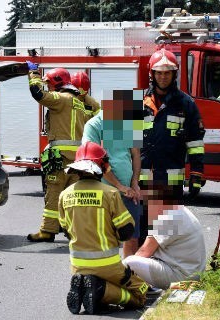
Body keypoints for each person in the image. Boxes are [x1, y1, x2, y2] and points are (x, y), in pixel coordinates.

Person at [60, 141, 148, 314]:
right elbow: (126, 232)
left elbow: (66, 232)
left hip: (77, 265)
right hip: (108, 265)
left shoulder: (65, 195)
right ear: (102, 166)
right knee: (141, 293)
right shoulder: (110, 194)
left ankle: (91, 288)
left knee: (99, 283)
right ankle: (100, 288)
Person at [25, 63, 100, 242]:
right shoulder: (80, 103)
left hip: (60, 156)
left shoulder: (61, 98)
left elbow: (39, 94)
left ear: (57, 83)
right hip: (78, 159)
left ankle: (47, 231)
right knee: (72, 195)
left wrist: (33, 74)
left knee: (54, 192)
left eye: (49, 83)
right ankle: (72, 231)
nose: (48, 87)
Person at [140, 48, 205, 243]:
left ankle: (165, 270)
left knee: (167, 232)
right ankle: (141, 270)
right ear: (152, 74)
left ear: (174, 74)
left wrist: (196, 173)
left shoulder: (186, 104)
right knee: (142, 230)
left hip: (170, 181)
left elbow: (195, 142)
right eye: (158, 72)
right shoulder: (137, 102)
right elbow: (122, 144)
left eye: (167, 72)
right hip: (142, 180)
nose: (163, 77)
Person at [81, 87, 142, 257]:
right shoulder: (94, 125)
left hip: (128, 192)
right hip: (104, 191)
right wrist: (119, 186)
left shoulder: (127, 122)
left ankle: (130, 275)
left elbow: (136, 154)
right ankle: (108, 274)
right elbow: (95, 159)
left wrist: (134, 183)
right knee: (106, 236)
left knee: (132, 236)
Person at [122, 186, 207, 290]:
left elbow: (143, 253)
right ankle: (147, 287)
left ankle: (128, 287)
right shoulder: (180, 210)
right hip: (194, 275)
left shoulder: (168, 218)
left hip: (183, 278)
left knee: (130, 262)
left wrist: (120, 271)